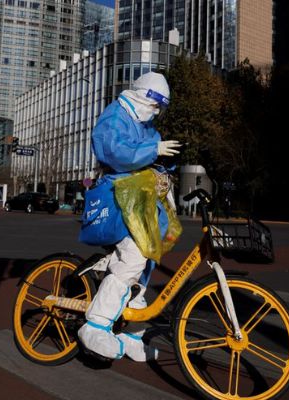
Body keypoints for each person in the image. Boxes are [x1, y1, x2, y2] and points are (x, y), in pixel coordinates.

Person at [78, 72, 181, 362]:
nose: (157, 110)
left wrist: (165, 166)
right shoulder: (115, 116)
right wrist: (154, 150)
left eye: (162, 106)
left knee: (145, 263)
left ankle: (132, 332)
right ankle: (96, 325)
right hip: (118, 198)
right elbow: (113, 152)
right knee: (135, 258)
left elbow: (152, 158)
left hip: (140, 201)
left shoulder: (148, 127)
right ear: (143, 95)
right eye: (155, 103)